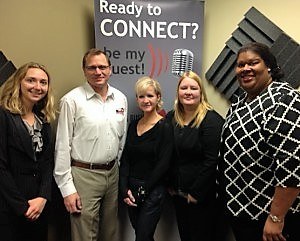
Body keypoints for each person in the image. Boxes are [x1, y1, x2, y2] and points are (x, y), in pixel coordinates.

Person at [219, 42, 300, 241]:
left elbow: (292, 164)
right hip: (242, 210)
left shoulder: (284, 100)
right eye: (240, 65)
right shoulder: (241, 101)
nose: (245, 69)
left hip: (269, 218)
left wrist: (276, 217)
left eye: (253, 63)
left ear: (269, 66)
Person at [54, 48, 128, 241]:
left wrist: (115, 166)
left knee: (110, 233)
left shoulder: (120, 99)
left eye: (102, 67)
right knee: (84, 236)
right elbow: (62, 147)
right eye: (92, 67)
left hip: (112, 174)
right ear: (84, 70)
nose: (98, 72)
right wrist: (67, 189)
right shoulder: (71, 101)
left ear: (110, 69)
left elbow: (121, 138)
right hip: (83, 176)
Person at [0, 62, 56, 241]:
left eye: (43, 82)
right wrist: (21, 206)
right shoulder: (4, 116)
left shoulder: (43, 120)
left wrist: (42, 197)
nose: (37, 87)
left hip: (39, 206)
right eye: (31, 80)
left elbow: (47, 163)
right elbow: (1, 166)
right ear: (19, 82)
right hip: (10, 207)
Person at [166, 70, 224, 241]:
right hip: (179, 194)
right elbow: (168, 154)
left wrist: (196, 193)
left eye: (193, 88)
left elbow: (212, 161)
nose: (188, 92)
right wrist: (170, 183)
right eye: (184, 88)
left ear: (201, 92)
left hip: (202, 197)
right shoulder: (172, 117)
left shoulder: (211, 121)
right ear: (178, 92)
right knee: (186, 236)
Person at [119, 76, 172, 241]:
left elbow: (164, 164)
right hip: (132, 189)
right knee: (143, 235)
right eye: (141, 96)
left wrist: (144, 191)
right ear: (137, 99)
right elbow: (126, 159)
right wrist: (124, 189)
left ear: (158, 98)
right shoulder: (134, 125)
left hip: (153, 190)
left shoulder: (165, 127)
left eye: (150, 95)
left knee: (142, 236)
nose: (146, 100)